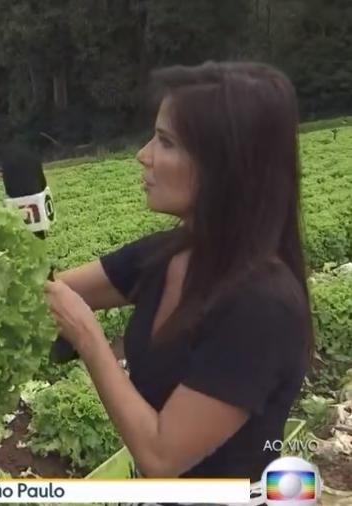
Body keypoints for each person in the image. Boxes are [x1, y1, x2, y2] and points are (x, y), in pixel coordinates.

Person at [44, 61, 313, 500]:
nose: (143, 155)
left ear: (224, 165)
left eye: (165, 142)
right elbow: (52, 291)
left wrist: (87, 336)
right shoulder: (165, 253)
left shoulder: (262, 304)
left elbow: (162, 455)